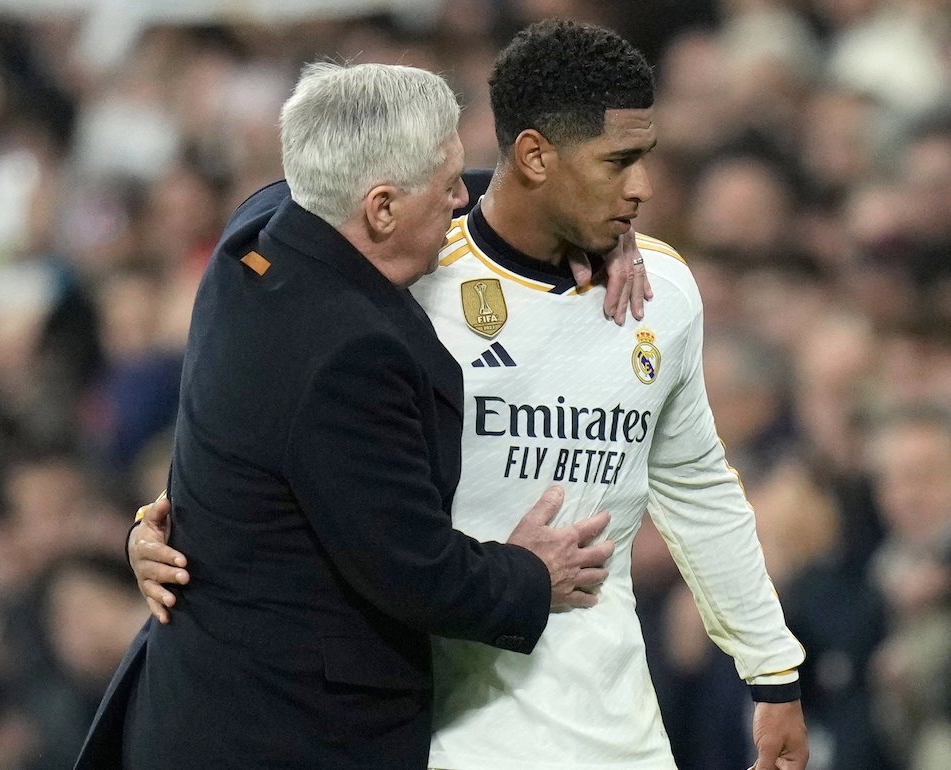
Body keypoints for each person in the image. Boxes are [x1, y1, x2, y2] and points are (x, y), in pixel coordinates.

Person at [130, 20, 810, 770]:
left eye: (643, 159)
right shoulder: (385, 291)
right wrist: (185, 528)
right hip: (428, 727)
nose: (643, 187)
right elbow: (357, 511)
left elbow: (697, 482)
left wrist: (771, 669)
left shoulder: (662, 289)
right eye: (618, 163)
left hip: (613, 732)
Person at [75, 62, 621, 770]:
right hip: (278, 738)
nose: (463, 198)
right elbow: (413, 570)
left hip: (193, 701)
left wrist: (565, 214)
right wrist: (532, 576)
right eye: (447, 185)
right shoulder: (346, 352)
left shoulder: (257, 229)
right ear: (382, 209)